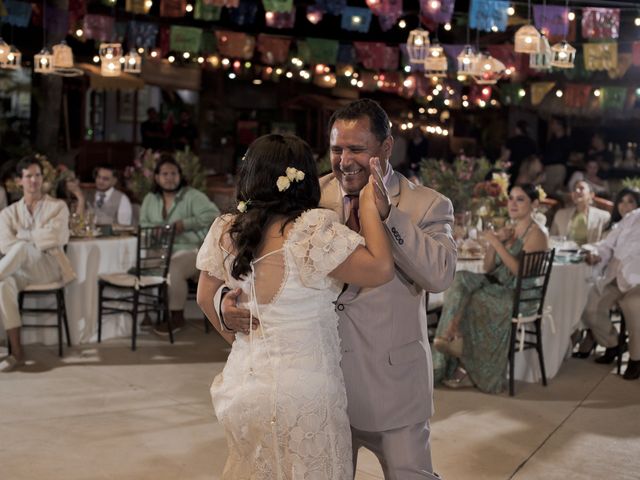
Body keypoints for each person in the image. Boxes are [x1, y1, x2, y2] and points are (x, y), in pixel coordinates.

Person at [217, 99, 456, 479]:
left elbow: (440, 274)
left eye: (357, 149)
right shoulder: (309, 195)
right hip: (319, 388)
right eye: (336, 149)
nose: (345, 161)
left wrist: (387, 215)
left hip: (390, 386)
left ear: (386, 148)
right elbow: (254, 248)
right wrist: (222, 301)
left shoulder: (426, 204)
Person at [196, 133, 394, 479]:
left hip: (244, 383)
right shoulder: (310, 231)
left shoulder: (227, 228)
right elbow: (380, 269)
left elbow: (204, 296)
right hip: (304, 391)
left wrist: (241, 341)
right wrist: (368, 208)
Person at [433, 184, 550, 392]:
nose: (512, 203)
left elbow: (520, 272)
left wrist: (496, 243)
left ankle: (458, 358)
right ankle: (447, 339)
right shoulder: (509, 228)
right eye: (511, 198)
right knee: (459, 279)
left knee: (473, 299)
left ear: (535, 204)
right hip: (497, 284)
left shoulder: (537, 235)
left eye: (520, 199)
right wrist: (497, 243)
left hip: (516, 295)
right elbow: (488, 267)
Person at [0, 156, 75, 372]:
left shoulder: (58, 206)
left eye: (38, 175)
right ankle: (17, 353)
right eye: (28, 176)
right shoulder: (7, 213)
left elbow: (57, 238)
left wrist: (22, 236)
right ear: (19, 181)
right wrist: (35, 238)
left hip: (49, 268)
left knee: (21, 248)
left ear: (43, 179)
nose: (34, 180)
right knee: (4, 285)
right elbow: (5, 246)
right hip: (21, 271)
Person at [139, 154, 219, 334]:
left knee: (173, 268)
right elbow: (143, 224)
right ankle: (146, 314)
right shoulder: (150, 199)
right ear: (157, 177)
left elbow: (213, 214)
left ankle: (176, 317)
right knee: (140, 265)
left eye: (173, 174)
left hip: (190, 249)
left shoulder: (192, 196)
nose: (169, 178)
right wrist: (159, 228)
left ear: (180, 176)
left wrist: (184, 224)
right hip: (159, 249)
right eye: (165, 174)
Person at [573, 207, 640, 380]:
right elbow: (608, 245)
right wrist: (596, 254)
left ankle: (636, 359)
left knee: (632, 306)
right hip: (616, 276)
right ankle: (614, 344)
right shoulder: (633, 216)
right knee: (590, 306)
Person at [550, 180, 610, 245]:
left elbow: (606, 243)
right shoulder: (560, 215)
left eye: (581, 188)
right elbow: (552, 239)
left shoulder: (604, 217)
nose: (577, 191)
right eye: (574, 189)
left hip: (590, 253)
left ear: (591, 195)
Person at [542, 116, 572, 196]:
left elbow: (560, 156)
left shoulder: (565, 140)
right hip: (548, 168)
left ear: (560, 125)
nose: (551, 126)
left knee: (553, 193)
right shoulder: (552, 140)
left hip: (558, 168)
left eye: (553, 123)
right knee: (546, 192)